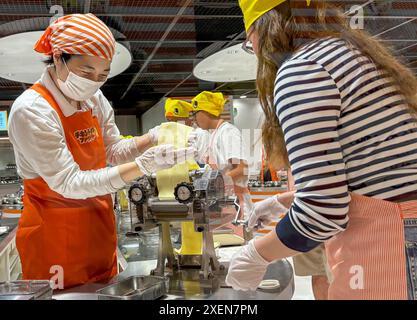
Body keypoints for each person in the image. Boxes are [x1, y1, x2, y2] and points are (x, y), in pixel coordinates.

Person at [226, 0, 417, 300]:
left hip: (392, 247)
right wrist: (283, 201)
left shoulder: (302, 68)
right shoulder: (349, 53)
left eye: (250, 41)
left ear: (266, 28)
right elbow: (377, 177)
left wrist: (256, 254)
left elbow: (324, 212)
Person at [8, 13, 194, 289]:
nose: (94, 81)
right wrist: (142, 166)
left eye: (103, 74)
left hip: (99, 229)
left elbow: (113, 150)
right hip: (55, 238)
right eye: (86, 72)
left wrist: (151, 139)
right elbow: (68, 183)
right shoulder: (33, 110)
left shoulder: (94, 99)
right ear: (58, 58)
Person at [190, 91, 252, 222]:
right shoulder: (214, 134)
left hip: (236, 206)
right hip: (224, 205)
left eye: (195, 113)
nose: (194, 119)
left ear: (207, 111)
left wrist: (212, 183)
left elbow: (242, 170)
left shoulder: (228, 133)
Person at [164, 98, 210, 164]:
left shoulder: (201, 134)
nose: (173, 124)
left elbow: (205, 162)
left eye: (176, 120)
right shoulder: (169, 135)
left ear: (188, 119)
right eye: (169, 120)